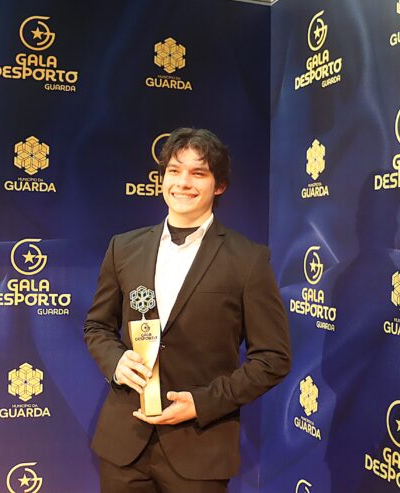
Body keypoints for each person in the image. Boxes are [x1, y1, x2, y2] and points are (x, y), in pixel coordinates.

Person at [83, 127, 291, 493]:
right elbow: (97, 327)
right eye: (174, 171)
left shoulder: (249, 260)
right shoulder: (123, 248)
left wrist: (201, 403)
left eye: (198, 173)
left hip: (200, 447)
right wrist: (115, 362)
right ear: (162, 178)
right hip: (124, 445)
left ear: (219, 185)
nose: (183, 182)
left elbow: (273, 358)